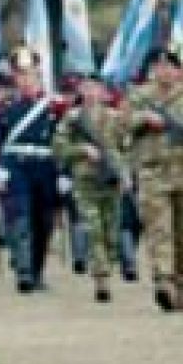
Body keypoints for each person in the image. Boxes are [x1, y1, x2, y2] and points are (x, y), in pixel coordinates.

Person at [126, 47, 183, 312]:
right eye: (159, 66)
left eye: (170, 66)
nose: (164, 71)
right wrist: (142, 119)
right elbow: (120, 124)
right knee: (159, 230)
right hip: (153, 172)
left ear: (179, 70)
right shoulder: (139, 97)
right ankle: (164, 281)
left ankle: (181, 287)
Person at [0, 49, 63, 293]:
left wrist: (64, 173)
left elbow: (62, 141)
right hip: (16, 167)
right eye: (21, 76)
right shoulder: (6, 107)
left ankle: (37, 270)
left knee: (43, 222)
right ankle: (24, 272)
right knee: (20, 218)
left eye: (30, 75)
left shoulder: (54, 106)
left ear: (39, 76)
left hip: (45, 167)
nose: (26, 80)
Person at [52, 73, 127, 302]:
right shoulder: (72, 119)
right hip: (85, 180)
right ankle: (101, 278)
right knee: (93, 229)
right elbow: (58, 147)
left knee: (111, 232)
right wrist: (81, 150)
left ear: (103, 92)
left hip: (111, 180)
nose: (91, 92)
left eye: (95, 88)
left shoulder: (115, 118)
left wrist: (125, 174)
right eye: (87, 88)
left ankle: (108, 266)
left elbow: (126, 147)